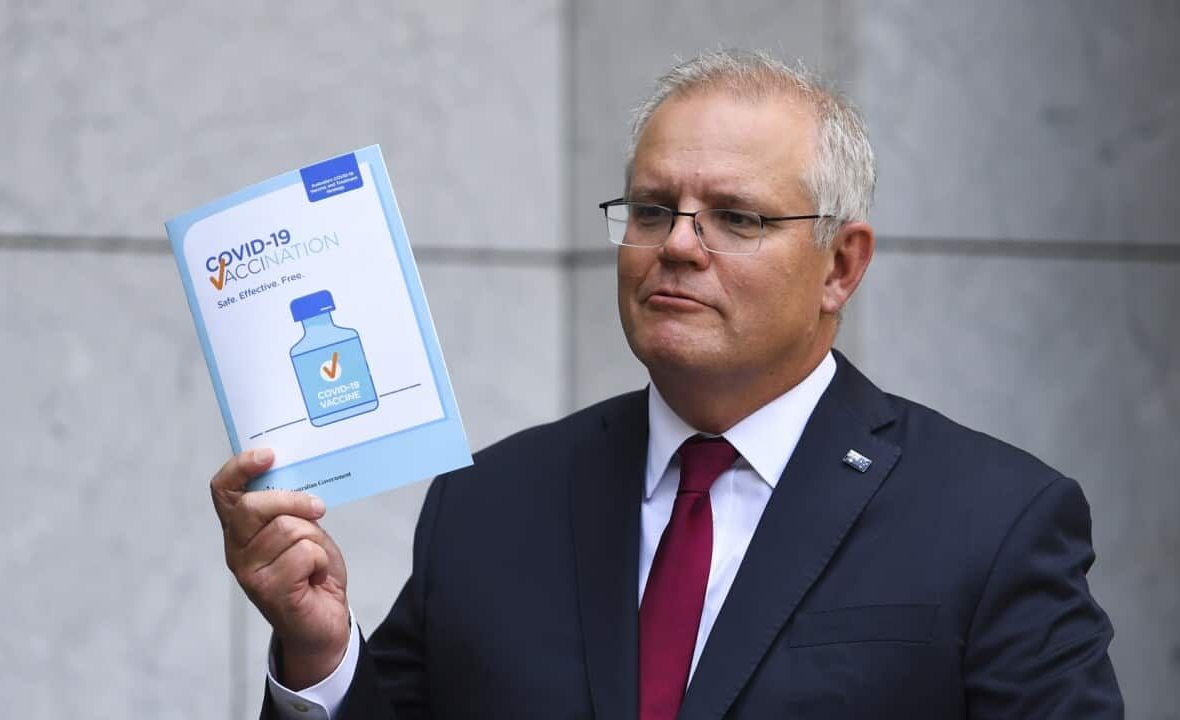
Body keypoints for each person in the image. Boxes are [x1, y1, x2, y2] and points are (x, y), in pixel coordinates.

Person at [212, 49, 1124, 719]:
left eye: (735, 217)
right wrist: (319, 651)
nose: (678, 244)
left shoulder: (993, 519)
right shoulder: (487, 504)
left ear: (840, 266)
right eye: (653, 210)